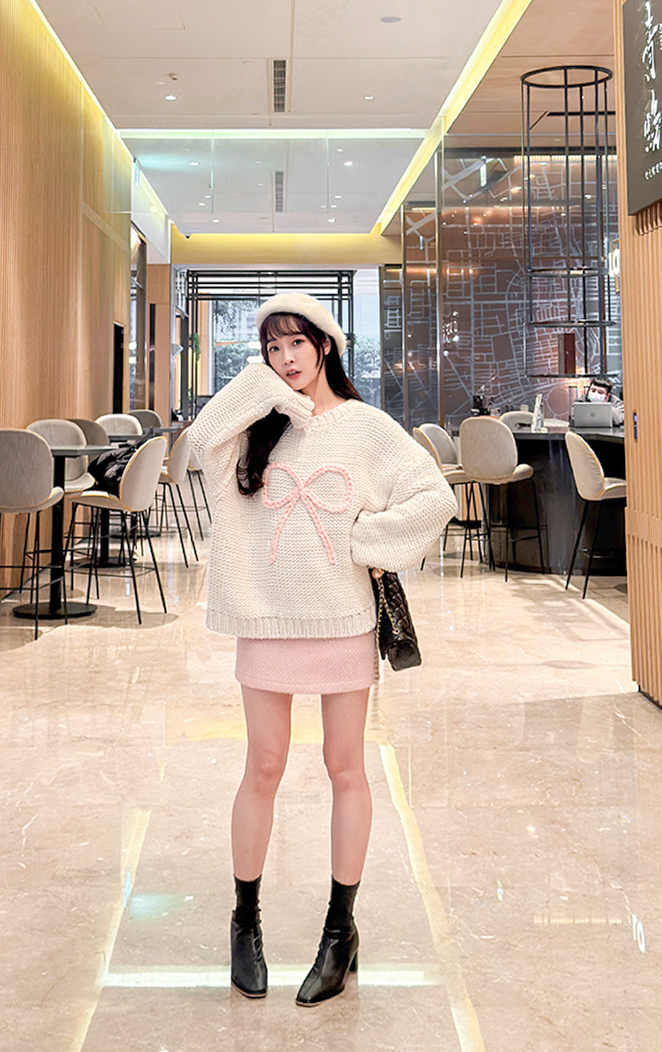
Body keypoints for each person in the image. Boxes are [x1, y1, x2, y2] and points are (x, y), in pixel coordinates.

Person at [188, 292, 456, 1007]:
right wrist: (264, 389)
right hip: (266, 618)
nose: (285, 359)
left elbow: (435, 496)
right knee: (263, 765)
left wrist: (364, 541)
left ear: (326, 345)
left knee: (345, 767)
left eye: (296, 345)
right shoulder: (257, 427)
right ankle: (244, 923)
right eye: (272, 349)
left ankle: (341, 931)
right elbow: (197, 442)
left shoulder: (366, 427)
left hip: (342, 620)